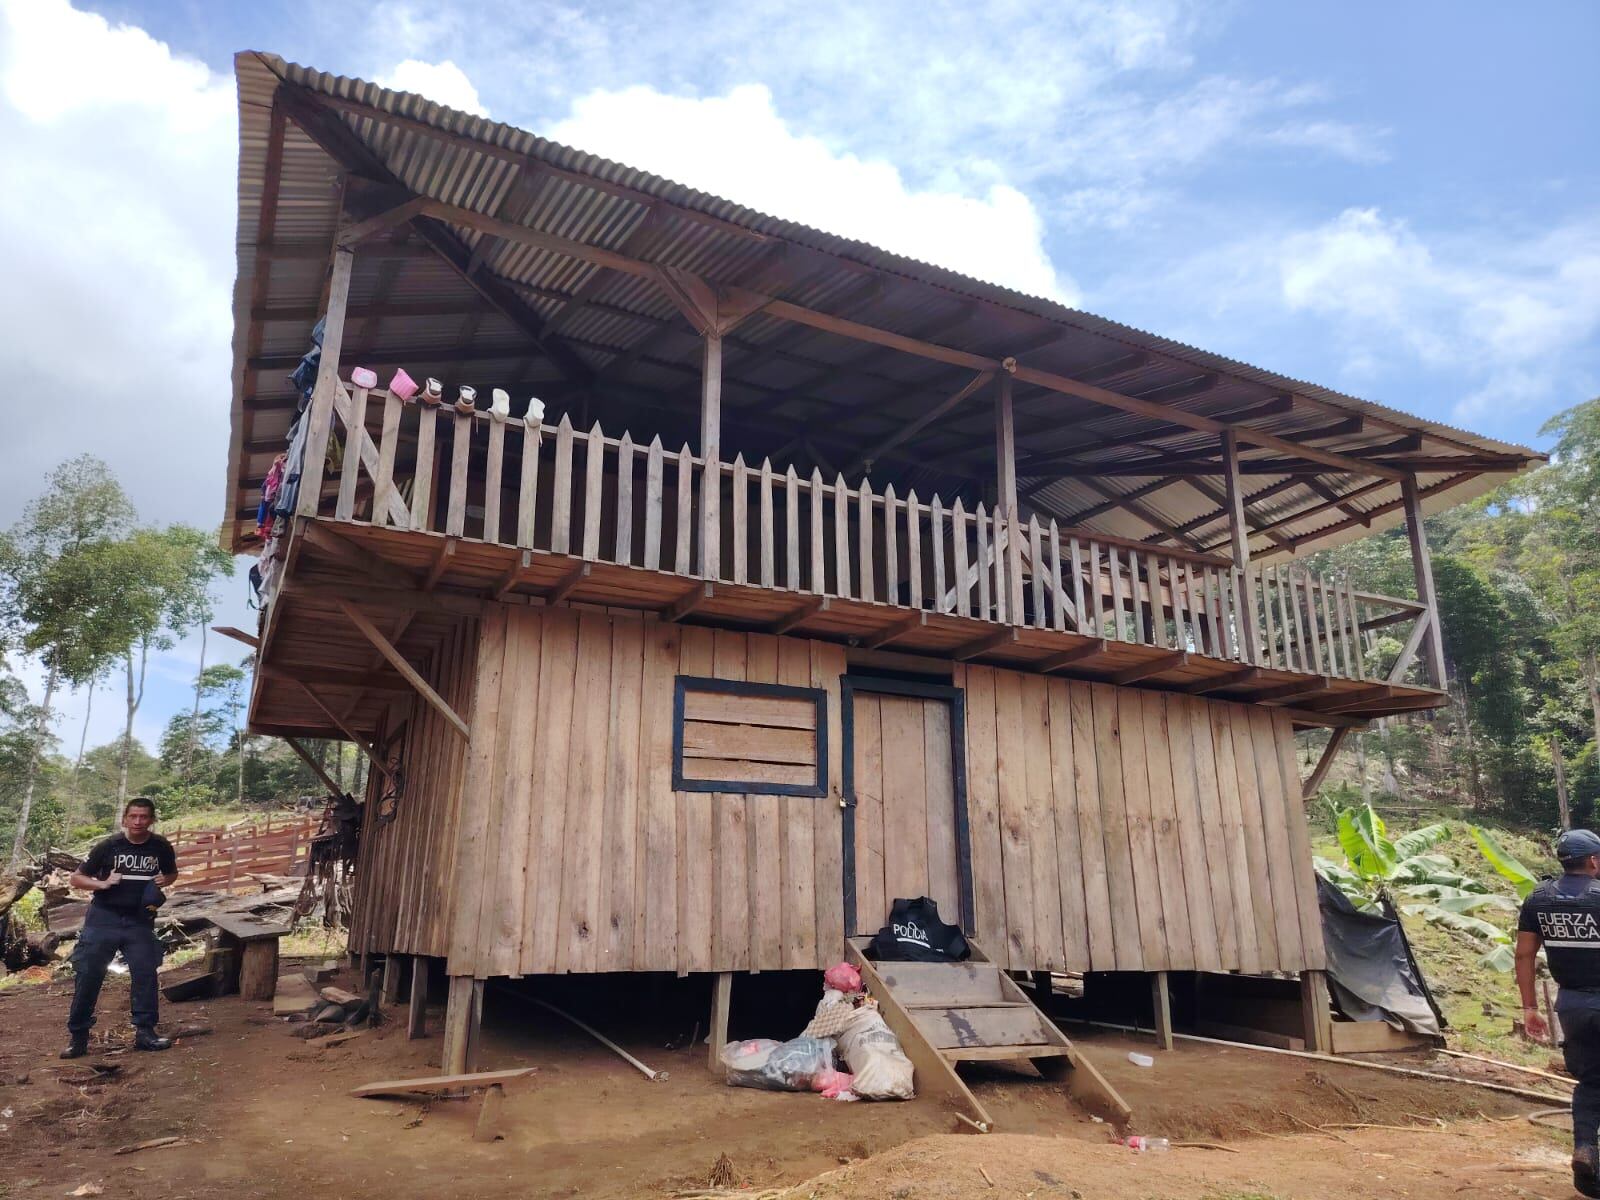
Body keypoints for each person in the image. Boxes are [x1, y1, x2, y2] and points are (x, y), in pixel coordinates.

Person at [1517, 827, 1600, 1198]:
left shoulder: (1538, 899)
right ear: (1594, 861)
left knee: (1591, 1082)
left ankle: (1585, 1149)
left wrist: (1530, 1007)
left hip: (1572, 1005)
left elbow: (1523, 955)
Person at [62, 797, 179, 1058]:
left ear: (152, 819)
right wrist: (102, 884)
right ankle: (78, 1038)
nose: (138, 821)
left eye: (144, 817)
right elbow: (76, 878)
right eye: (133, 816)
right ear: (125, 818)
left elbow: (172, 873)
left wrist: (165, 879)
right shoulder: (109, 846)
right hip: (103, 919)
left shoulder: (160, 846)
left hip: (139, 921)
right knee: (89, 975)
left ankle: (145, 1033)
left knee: (145, 974)